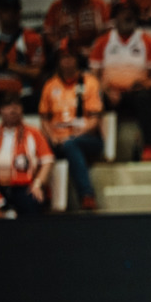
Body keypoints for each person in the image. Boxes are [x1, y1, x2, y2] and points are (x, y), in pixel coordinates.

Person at [88, 0, 151, 161]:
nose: (127, 16)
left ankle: (150, 147)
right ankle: (97, 150)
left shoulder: (146, 40)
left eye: (130, 13)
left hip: (136, 92)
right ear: (115, 17)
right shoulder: (103, 42)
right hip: (110, 93)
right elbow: (94, 74)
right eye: (123, 13)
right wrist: (107, 90)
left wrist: (149, 84)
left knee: (143, 98)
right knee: (91, 99)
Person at [38, 42, 104, 210]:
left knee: (71, 145)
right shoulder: (50, 85)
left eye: (70, 57)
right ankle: (39, 201)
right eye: (63, 58)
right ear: (58, 61)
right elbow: (44, 119)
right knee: (37, 148)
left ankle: (87, 195)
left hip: (87, 138)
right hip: (56, 140)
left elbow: (95, 119)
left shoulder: (89, 82)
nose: (67, 61)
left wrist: (77, 134)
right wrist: (52, 137)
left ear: (77, 59)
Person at [0, 92, 54, 216]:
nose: (13, 109)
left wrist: (38, 184)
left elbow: (48, 161)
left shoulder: (34, 133)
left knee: (33, 201)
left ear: (22, 110)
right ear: (0, 111)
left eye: (17, 106)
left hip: (24, 187)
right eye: (8, 106)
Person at [42, 0, 111, 59]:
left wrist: (95, 48)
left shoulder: (98, 4)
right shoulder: (56, 7)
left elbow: (108, 31)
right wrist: (60, 46)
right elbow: (48, 34)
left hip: (95, 53)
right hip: (65, 55)